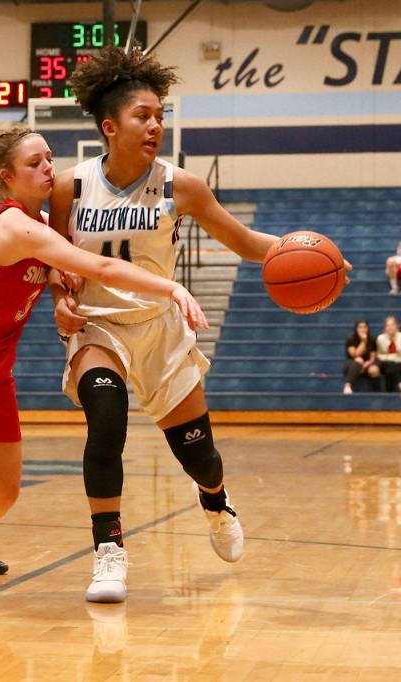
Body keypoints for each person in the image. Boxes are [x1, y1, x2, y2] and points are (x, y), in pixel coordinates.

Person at [45, 47, 336, 603]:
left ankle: (216, 501)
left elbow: (248, 243)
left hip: (159, 327)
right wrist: (59, 297)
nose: (156, 125)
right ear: (110, 126)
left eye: (161, 115)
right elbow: (55, 260)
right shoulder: (69, 187)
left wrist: (312, 250)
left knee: (198, 456)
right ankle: (109, 552)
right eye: (143, 116)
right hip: (96, 329)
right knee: (106, 422)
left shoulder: (181, 186)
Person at [0, 122, 208, 584]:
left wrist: (57, 292)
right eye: (35, 163)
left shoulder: (42, 225)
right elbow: (101, 265)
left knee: (3, 491)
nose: (49, 168)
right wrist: (171, 286)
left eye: (49, 158)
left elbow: (54, 266)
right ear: (6, 176)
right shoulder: (12, 224)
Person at [344, 320, 383, 393]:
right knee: (358, 360)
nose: (362, 329)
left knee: (374, 369)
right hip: (352, 365)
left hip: (367, 365)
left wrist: (365, 365)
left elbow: (373, 358)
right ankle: (347, 385)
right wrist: (363, 341)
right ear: (356, 329)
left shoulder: (372, 339)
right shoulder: (351, 339)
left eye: (365, 327)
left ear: (368, 328)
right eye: (360, 327)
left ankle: (378, 394)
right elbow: (354, 355)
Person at [375, 315, 401, 392]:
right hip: (386, 364)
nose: (390, 327)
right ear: (385, 328)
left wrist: (388, 357)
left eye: (392, 325)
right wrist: (393, 357)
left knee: (391, 368)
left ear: (397, 326)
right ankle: (399, 382)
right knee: (388, 365)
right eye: (388, 325)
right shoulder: (380, 338)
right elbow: (379, 355)